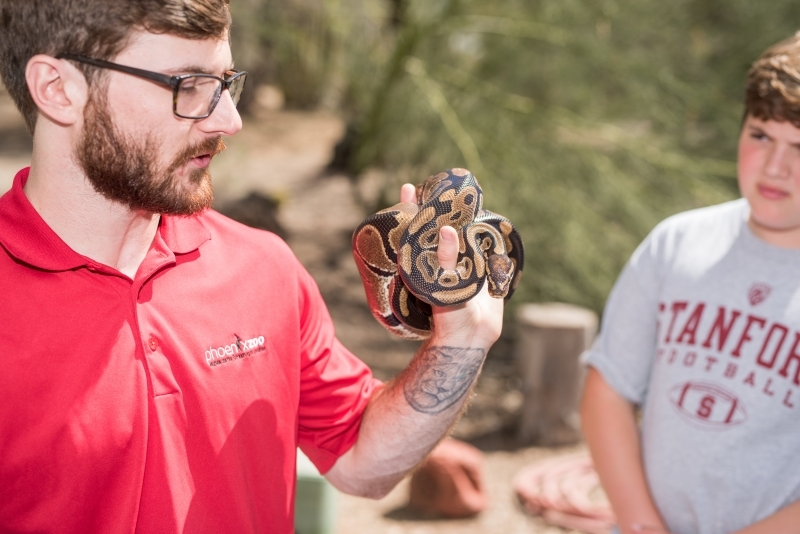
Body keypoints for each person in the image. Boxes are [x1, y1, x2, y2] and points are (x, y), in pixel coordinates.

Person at [0, 1, 504, 532]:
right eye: (188, 85)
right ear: (57, 88)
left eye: (224, 83)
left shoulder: (265, 268)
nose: (229, 120)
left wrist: (460, 345)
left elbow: (361, 463)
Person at [580, 32, 800, 534]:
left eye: (799, 147)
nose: (775, 166)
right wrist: (641, 524)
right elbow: (607, 392)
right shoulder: (676, 242)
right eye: (762, 135)